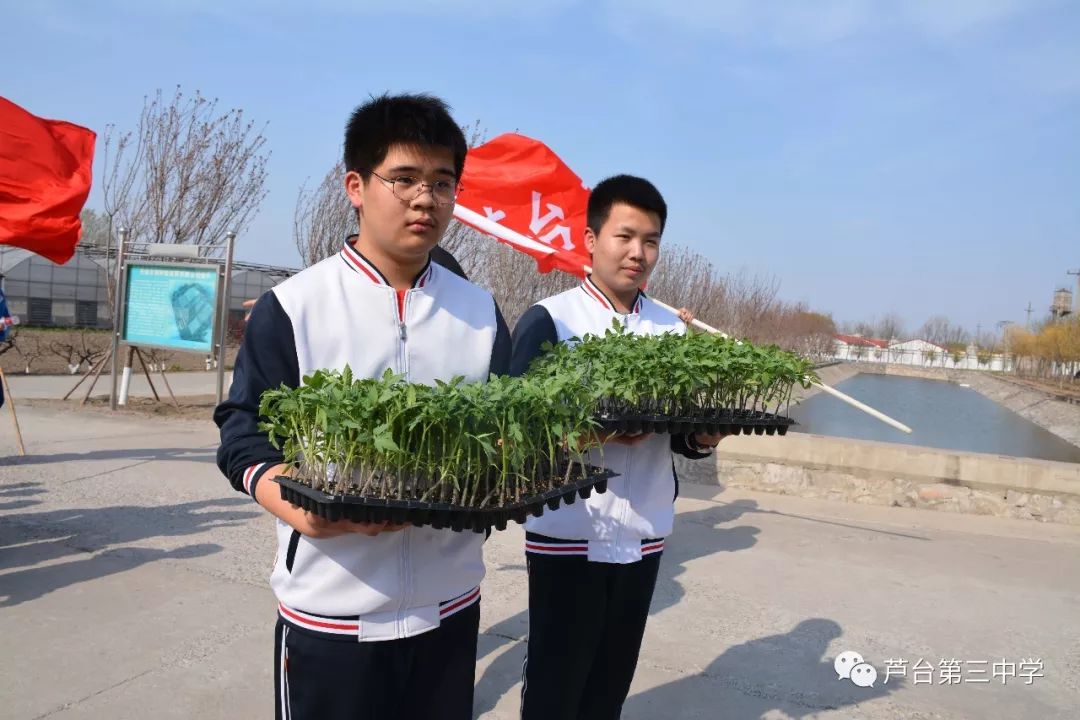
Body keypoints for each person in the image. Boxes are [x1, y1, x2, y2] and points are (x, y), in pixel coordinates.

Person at [214, 93, 509, 720]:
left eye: (442, 182)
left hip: (449, 605)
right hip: (331, 612)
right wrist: (295, 504)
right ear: (356, 185)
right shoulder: (295, 307)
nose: (425, 199)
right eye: (403, 179)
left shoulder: (479, 312)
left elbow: (510, 430)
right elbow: (241, 433)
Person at [509, 174, 724, 719]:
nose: (638, 253)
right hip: (569, 531)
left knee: (610, 683)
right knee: (557, 684)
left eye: (650, 241)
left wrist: (703, 436)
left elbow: (682, 438)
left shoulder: (671, 331)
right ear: (590, 239)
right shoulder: (552, 319)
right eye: (624, 236)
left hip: (645, 530)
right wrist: (597, 433)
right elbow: (516, 431)